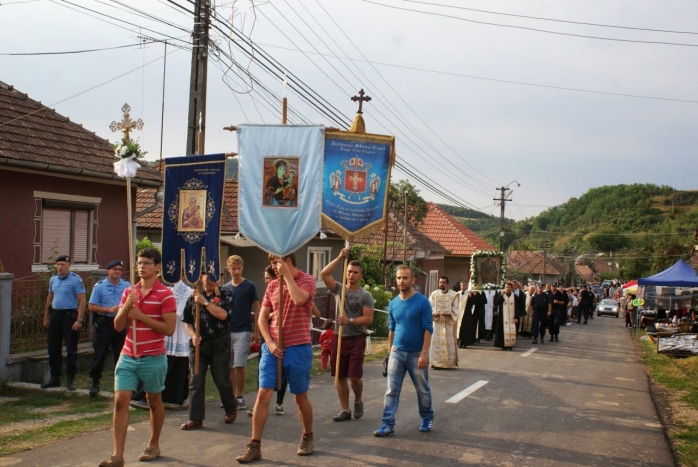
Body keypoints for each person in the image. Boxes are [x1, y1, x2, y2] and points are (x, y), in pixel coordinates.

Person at [99, 248, 177, 467]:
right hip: (128, 355)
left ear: (157, 267)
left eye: (147, 263)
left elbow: (168, 329)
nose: (142, 267)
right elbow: (118, 325)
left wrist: (141, 316)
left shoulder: (165, 295)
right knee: (120, 400)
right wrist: (126, 307)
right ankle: (117, 455)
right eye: (139, 263)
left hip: (153, 356)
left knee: (154, 401)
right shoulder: (128, 292)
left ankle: (154, 443)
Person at [236, 253, 316, 463]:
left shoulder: (307, 280)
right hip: (273, 349)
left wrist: (287, 276)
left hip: (298, 347)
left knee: (299, 396)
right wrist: (270, 343)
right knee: (263, 395)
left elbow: (299, 299)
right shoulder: (272, 287)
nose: (272, 268)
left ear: (287, 261)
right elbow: (262, 318)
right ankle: (255, 445)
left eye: (275, 263)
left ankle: (307, 435)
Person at [374, 265, 434, 437]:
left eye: (405, 278)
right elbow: (392, 329)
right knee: (391, 390)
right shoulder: (393, 304)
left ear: (413, 280)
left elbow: (428, 329)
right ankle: (387, 424)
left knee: (422, 389)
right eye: (399, 278)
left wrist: (424, 354)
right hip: (397, 353)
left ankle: (427, 418)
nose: (401, 281)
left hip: (417, 354)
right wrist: (389, 353)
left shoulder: (422, 302)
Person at [320, 248, 375, 422]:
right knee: (340, 375)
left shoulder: (365, 295)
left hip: (356, 338)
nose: (351, 275)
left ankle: (358, 400)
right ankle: (345, 409)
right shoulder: (338, 289)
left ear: (361, 275)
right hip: (339, 337)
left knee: (354, 376)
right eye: (349, 271)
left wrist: (349, 321)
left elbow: (368, 319)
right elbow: (324, 273)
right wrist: (340, 256)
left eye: (355, 272)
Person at [180, 272, 237, 430]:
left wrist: (205, 303)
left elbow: (223, 315)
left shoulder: (225, 294)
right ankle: (195, 418)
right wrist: (192, 335)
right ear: (201, 277)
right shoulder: (194, 296)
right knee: (195, 381)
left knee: (221, 379)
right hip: (199, 345)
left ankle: (231, 406)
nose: (211, 280)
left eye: (215, 277)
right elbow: (187, 322)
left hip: (219, 342)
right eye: (208, 276)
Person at [247, 266, 288, 417]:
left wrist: (270, 315)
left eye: (268, 278)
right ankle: (259, 403)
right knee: (262, 370)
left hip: (280, 335)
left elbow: (281, 312)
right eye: (264, 278)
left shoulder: (283, 291)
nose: (265, 281)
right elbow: (261, 315)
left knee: (281, 370)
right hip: (267, 337)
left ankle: (279, 403)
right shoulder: (268, 291)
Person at [41, 254, 86, 391]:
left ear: (69, 266)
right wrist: (46, 317)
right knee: (53, 348)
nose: (60, 267)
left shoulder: (75, 280)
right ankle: (55, 378)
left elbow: (82, 300)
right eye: (58, 265)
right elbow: (49, 299)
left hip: (69, 316)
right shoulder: (53, 279)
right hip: (55, 316)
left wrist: (79, 320)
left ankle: (70, 379)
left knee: (71, 349)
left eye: (63, 265)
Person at [222, 255, 260, 411]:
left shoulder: (249, 286)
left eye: (238, 268)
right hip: (227, 330)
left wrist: (256, 329)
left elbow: (257, 307)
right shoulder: (224, 288)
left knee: (239, 364)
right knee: (229, 365)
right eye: (233, 269)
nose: (236, 271)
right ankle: (231, 395)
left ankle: (240, 395)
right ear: (228, 269)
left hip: (243, 329)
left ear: (242, 268)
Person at [88, 260, 129, 397]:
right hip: (105, 323)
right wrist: (107, 309)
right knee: (100, 354)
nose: (117, 271)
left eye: (119, 269)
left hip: (121, 323)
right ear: (108, 271)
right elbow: (91, 306)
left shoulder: (126, 286)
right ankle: (95, 383)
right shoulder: (100, 286)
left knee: (121, 356)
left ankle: (119, 385)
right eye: (114, 269)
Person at [429, 276, 459, 368]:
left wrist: (448, 313)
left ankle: (448, 363)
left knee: (448, 341)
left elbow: (456, 307)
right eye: (440, 282)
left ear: (447, 284)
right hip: (437, 323)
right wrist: (434, 313)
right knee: (436, 342)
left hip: (448, 323)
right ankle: (436, 362)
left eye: (443, 282)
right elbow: (430, 305)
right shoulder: (434, 294)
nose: (441, 284)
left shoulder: (454, 295)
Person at [493, 282, 521, 350]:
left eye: (509, 287)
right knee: (502, 331)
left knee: (511, 331)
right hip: (502, 317)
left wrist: (516, 317)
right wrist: (501, 295)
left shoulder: (515, 297)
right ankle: (503, 345)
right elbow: (496, 302)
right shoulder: (501, 295)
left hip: (512, 318)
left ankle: (510, 345)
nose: (507, 289)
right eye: (506, 287)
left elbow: (517, 308)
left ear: (511, 288)